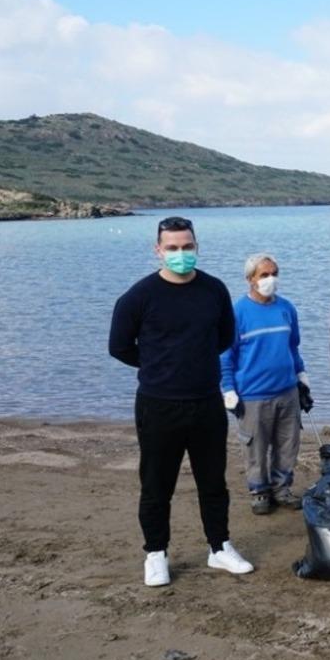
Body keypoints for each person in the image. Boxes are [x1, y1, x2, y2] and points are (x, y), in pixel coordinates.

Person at [108, 216, 254, 587]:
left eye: (187, 247)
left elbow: (224, 338)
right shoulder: (139, 296)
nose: (180, 254)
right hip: (159, 404)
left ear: (197, 246)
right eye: (172, 248)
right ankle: (155, 554)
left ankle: (219, 547)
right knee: (157, 483)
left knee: (213, 481)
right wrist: (159, 365)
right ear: (158, 250)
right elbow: (119, 346)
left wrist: (194, 363)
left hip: (206, 401)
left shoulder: (214, 290)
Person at [220, 253, 309, 515]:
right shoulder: (237, 313)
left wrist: (301, 376)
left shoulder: (286, 308)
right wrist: (227, 389)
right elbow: (225, 355)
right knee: (256, 447)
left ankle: (281, 489)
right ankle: (259, 491)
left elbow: (293, 347)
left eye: (274, 274)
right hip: (253, 394)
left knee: (288, 443)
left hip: (287, 390)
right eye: (264, 275)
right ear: (250, 279)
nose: (271, 279)